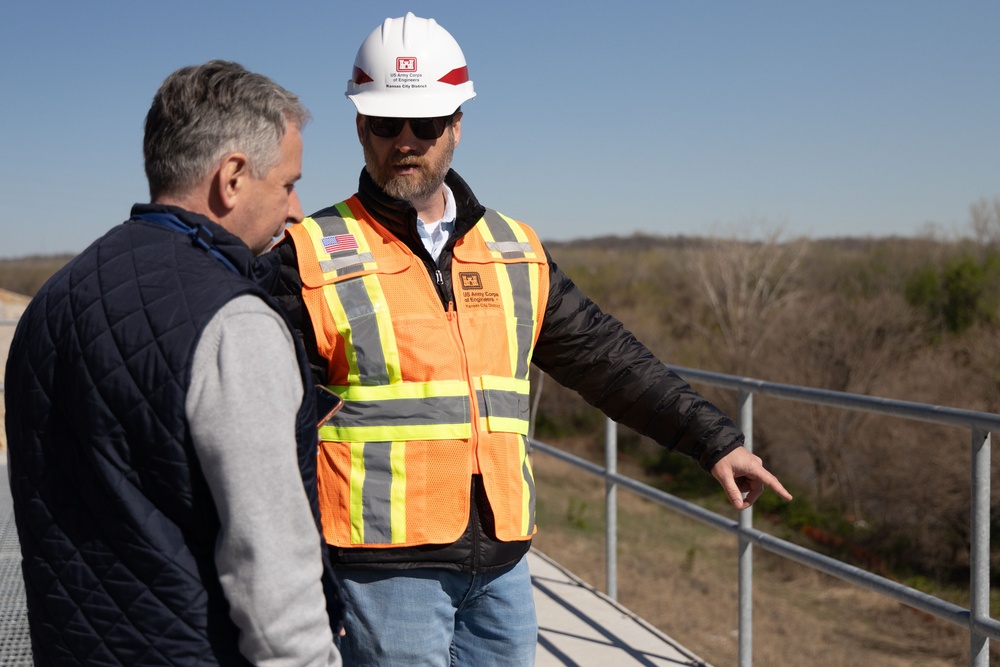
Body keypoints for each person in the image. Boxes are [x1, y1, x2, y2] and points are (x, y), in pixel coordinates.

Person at [265, 12, 792, 666]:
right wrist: (303, 574)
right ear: (360, 126)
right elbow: (263, 431)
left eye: (426, 122)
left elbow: (607, 360)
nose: (406, 141)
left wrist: (714, 438)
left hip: (503, 568)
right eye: (385, 123)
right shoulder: (307, 255)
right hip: (383, 574)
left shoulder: (513, 250)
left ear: (457, 124)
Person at [4, 60, 343, 666]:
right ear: (232, 177)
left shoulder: (50, 302)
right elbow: (272, 570)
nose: (297, 209)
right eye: (288, 183)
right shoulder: (234, 324)